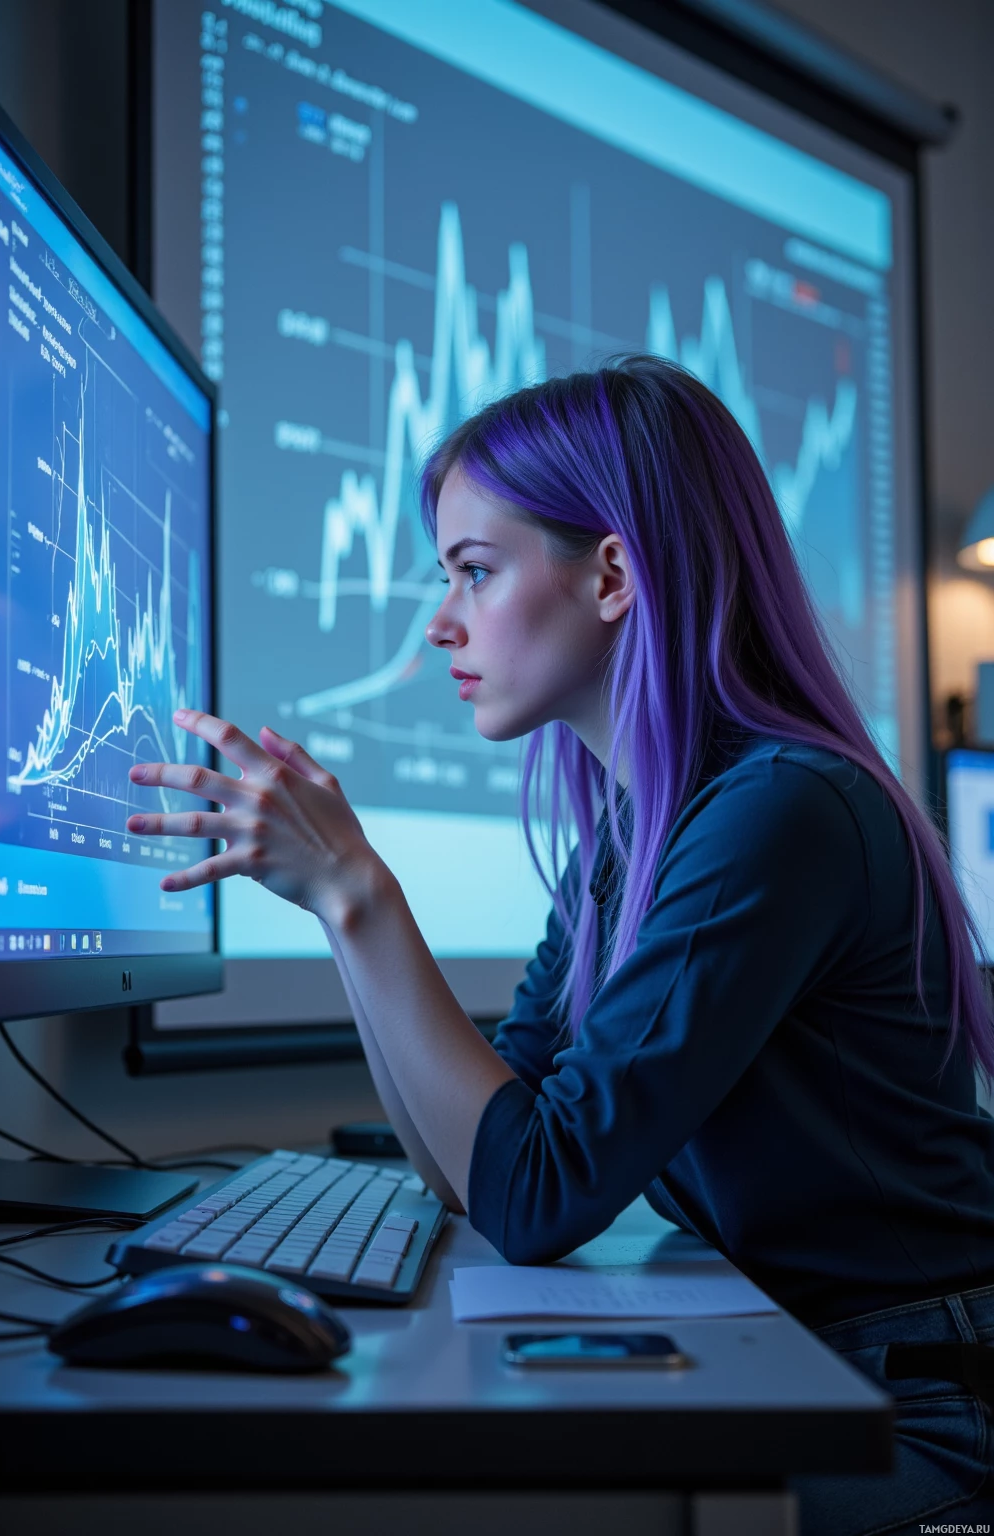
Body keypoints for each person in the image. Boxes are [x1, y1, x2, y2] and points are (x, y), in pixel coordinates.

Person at [127, 356, 994, 1532]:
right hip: (801, 1358)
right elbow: (471, 1166)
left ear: (613, 575)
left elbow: (535, 1194)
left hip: (920, 1404)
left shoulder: (779, 810)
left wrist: (360, 891)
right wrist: (332, 909)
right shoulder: (635, 833)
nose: (439, 623)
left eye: (474, 573)